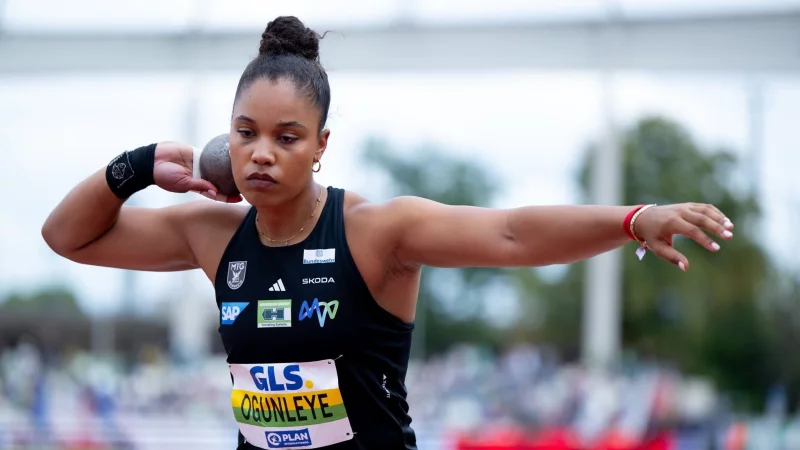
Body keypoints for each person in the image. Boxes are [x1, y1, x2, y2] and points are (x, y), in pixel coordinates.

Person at [41, 16, 734, 450]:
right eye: (245, 134)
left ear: (321, 145)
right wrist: (133, 168)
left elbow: (513, 234)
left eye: (287, 137)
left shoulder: (376, 231)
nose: (260, 153)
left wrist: (631, 220)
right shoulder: (209, 233)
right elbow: (68, 237)